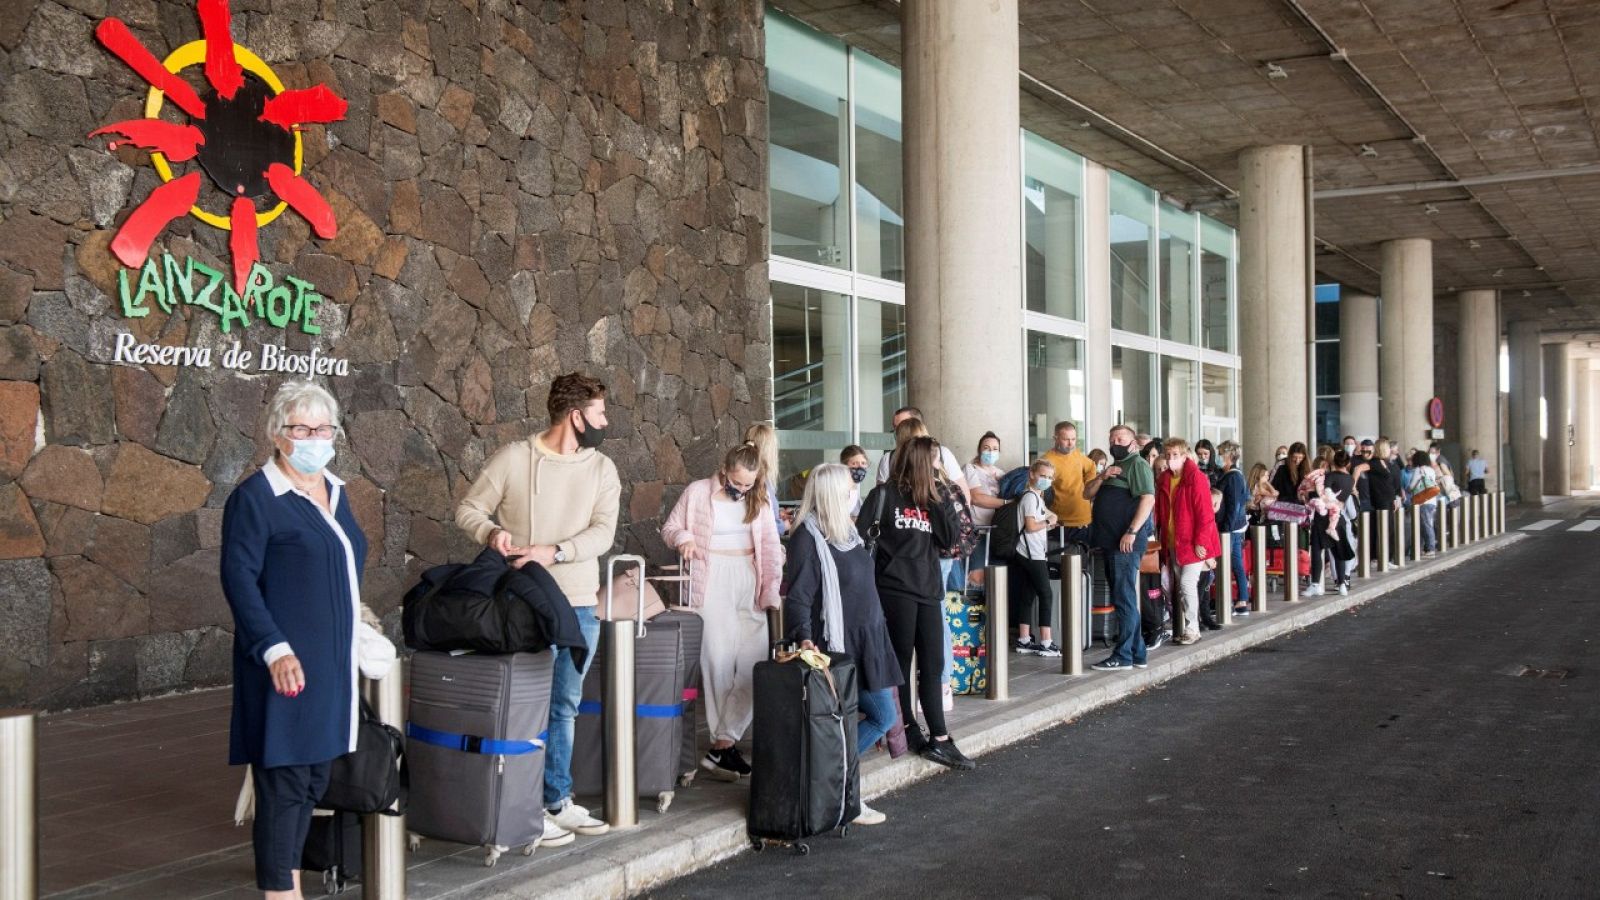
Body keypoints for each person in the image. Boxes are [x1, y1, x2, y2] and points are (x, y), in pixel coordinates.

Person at [222, 381, 393, 899]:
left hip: (330, 669)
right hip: (285, 667)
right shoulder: (257, 498)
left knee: (315, 778)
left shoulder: (334, 491)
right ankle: (281, 893)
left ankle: (289, 883)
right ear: (278, 434)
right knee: (286, 783)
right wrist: (274, 646)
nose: (315, 437)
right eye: (302, 428)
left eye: (324, 428)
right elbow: (238, 580)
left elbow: (341, 570)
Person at [456, 372, 619, 842]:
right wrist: (490, 533)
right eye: (600, 412)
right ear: (576, 416)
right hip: (521, 603)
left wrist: (553, 551)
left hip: (580, 604)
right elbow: (468, 508)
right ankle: (523, 805)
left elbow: (603, 533)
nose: (605, 421)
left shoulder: (602, 469)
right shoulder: (514, 458)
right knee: (521, 707)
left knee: (564, 705)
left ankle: (555, 799)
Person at [782, 463, 904, 826]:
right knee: (878, 716)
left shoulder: (846, 532)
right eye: (849, 487)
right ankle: (840, 785)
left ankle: (838, 785)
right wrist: (804, 638)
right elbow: (799, 595)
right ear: (833, 494)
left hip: (868, 638)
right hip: (837, 645)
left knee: (869, 718)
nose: (855, 492)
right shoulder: (808, 535)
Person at [661, 443, 784, 781]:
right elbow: (669, 528)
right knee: (716, 661)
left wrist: (771, 589)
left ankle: (723, 742)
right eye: (737, 482)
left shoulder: (759, 497)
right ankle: (724, 743)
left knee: (756, 663)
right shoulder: (698, 492)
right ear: (725, 470)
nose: (742, 489)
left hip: (749, 575)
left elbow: (772, 548)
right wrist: (684, 537)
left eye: (748, 484)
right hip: (710, 577)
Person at [858, 436, 974, 770]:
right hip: (895, 590)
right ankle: (906, 727)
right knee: (901, 663)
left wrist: (935, 497)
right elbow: (863, 538)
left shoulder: (932, 497)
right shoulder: (883, 496)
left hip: (928, 589)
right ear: (921, 460)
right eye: (934, 460)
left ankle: (939, 737)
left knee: (933, 664)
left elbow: (950, 539)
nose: (939, 464)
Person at [1085, 424, 1156, 672]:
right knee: (1122, 596)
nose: (1116, 442)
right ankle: (1137, 653)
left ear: (1134, 443)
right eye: (1112, 437)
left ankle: (1123, 655)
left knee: (1123, 598)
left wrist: (1132, 531)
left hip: (1124, 542)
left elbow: (1148, 499)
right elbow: (1087, 493)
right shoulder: (1113, 468)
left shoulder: (1138, 464)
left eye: (1121, 438)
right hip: (1109, 541)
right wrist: (1102, 476)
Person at [1153, 439, 1221, 645]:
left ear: (1184, 456)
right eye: (1168, 455)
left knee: (1187, 583)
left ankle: (1193, 627)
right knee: (1179, 586)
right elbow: (1162, 512)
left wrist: (1201, 542)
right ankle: (1185, 625)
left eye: (1176, 455)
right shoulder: (1165, 479)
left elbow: (1205, 513)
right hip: (1173, 541)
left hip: (1192, 541)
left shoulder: (1196, 478)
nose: (1171, 459)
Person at [1009, 458, 1061, 657]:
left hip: (1030, 552)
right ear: (1032, 474)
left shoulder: (1035, 497)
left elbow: (1048, 516)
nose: (1046, 480)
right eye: (1042, 476)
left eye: (1049, 477)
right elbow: (1031, 527)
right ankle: (1046, 641)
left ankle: (1024, 639)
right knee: (1046, 594)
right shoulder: (1030, 498)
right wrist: (1048, 522)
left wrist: (1049, 518)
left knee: (1027, 595)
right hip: (1032, 553)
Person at [874, 406, 972, 501]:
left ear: (917, 425)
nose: (897, 431)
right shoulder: (889, 459)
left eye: (903, 425)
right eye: (895, 427)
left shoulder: (942, 454)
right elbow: (880, 497)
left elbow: (963, 494)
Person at [1303, 450, 1355, 596]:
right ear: (1348, 463)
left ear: (1333, 463)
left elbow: (1318, 493)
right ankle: (1342, 584)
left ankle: (1315, 584)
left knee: (1317, 551)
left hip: (1322, 518)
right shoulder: (1350, 480)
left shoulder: (1328, 476)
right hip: (1339, 517)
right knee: (1338, 552)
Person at [1041, 421, 1098, 544]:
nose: (1070, 443)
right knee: (1065, 562)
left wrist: (1088, 485)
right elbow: (1039, 492)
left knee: (1083, 561)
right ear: (1055, 439)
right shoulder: (1047, 461)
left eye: (1073, 439)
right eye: (1066, 439)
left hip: (1085, 521)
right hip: (1061, 523)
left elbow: (1091, 467)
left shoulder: (1076, 453)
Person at [963, 432, 1006, 588]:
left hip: (998, 534)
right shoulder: (970, 469)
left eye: (995, 449)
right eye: (986, 448)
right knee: (976, 578)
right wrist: (1006, 502)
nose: (991, 452)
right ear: (979, 450)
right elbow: (976, 498)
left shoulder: (1002, 474)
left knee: (997, 581)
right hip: (977, 531)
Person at [1216, 441, 1251, 617]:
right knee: (1236, 563)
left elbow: (1234, 505)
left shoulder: (1233, 477)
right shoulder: (1232, 475)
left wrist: (1226, 530)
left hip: (1230, 528)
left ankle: (1234, 600)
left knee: (1228, 564)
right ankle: (1242, 600)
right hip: (1233, 527)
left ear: (1229, 455)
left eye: (1220, 453)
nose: (1218, 456)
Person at [744, 422, 790, 536]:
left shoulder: (743, 474)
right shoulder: (760, 481)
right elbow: (762, 526)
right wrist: (785, 526)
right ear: (769, 450)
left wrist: (777, 513)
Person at [1407, 449, 1441, 557]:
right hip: (1431, 500)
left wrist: (1409, 488)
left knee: (1425, 525)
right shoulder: (1431, 470)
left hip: (1422, 501)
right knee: (1426, 524)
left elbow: (1411, 487)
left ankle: (1430, 549)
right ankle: (1423, 548)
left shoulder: (1418, 470)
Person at [841, 444, 871, 514]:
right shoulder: (840, 490)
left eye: (863, 463)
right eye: (854, 463)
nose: (860, 467)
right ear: (844, 465)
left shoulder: (853, 488)